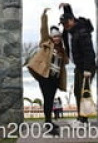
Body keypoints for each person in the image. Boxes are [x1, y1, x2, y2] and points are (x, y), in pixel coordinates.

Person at [27, 8, 69, 136]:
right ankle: (48, 123)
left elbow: (64, 63)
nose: (56, 39)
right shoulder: (47, 43)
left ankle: (49, 121)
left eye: (58, 37)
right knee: (47, 99)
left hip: (55, 78)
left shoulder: (61, 49)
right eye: (54, 36)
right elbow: (43, 30)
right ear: (51, 37)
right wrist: (44, 16)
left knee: (50, 100)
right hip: (45, 77)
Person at [59, 2, 97, 123]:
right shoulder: (70, 29)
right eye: (63, 24)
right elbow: (69, 16)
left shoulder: (82, 32)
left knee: (83, 92)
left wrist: (87, 70)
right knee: (76, 91)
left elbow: (89, 52)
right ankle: (80, 117)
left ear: (72, 21)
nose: (64, 26)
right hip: (79, 66)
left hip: (87, 67)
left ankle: (84, 120)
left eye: (66, 23)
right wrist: (66, 7)